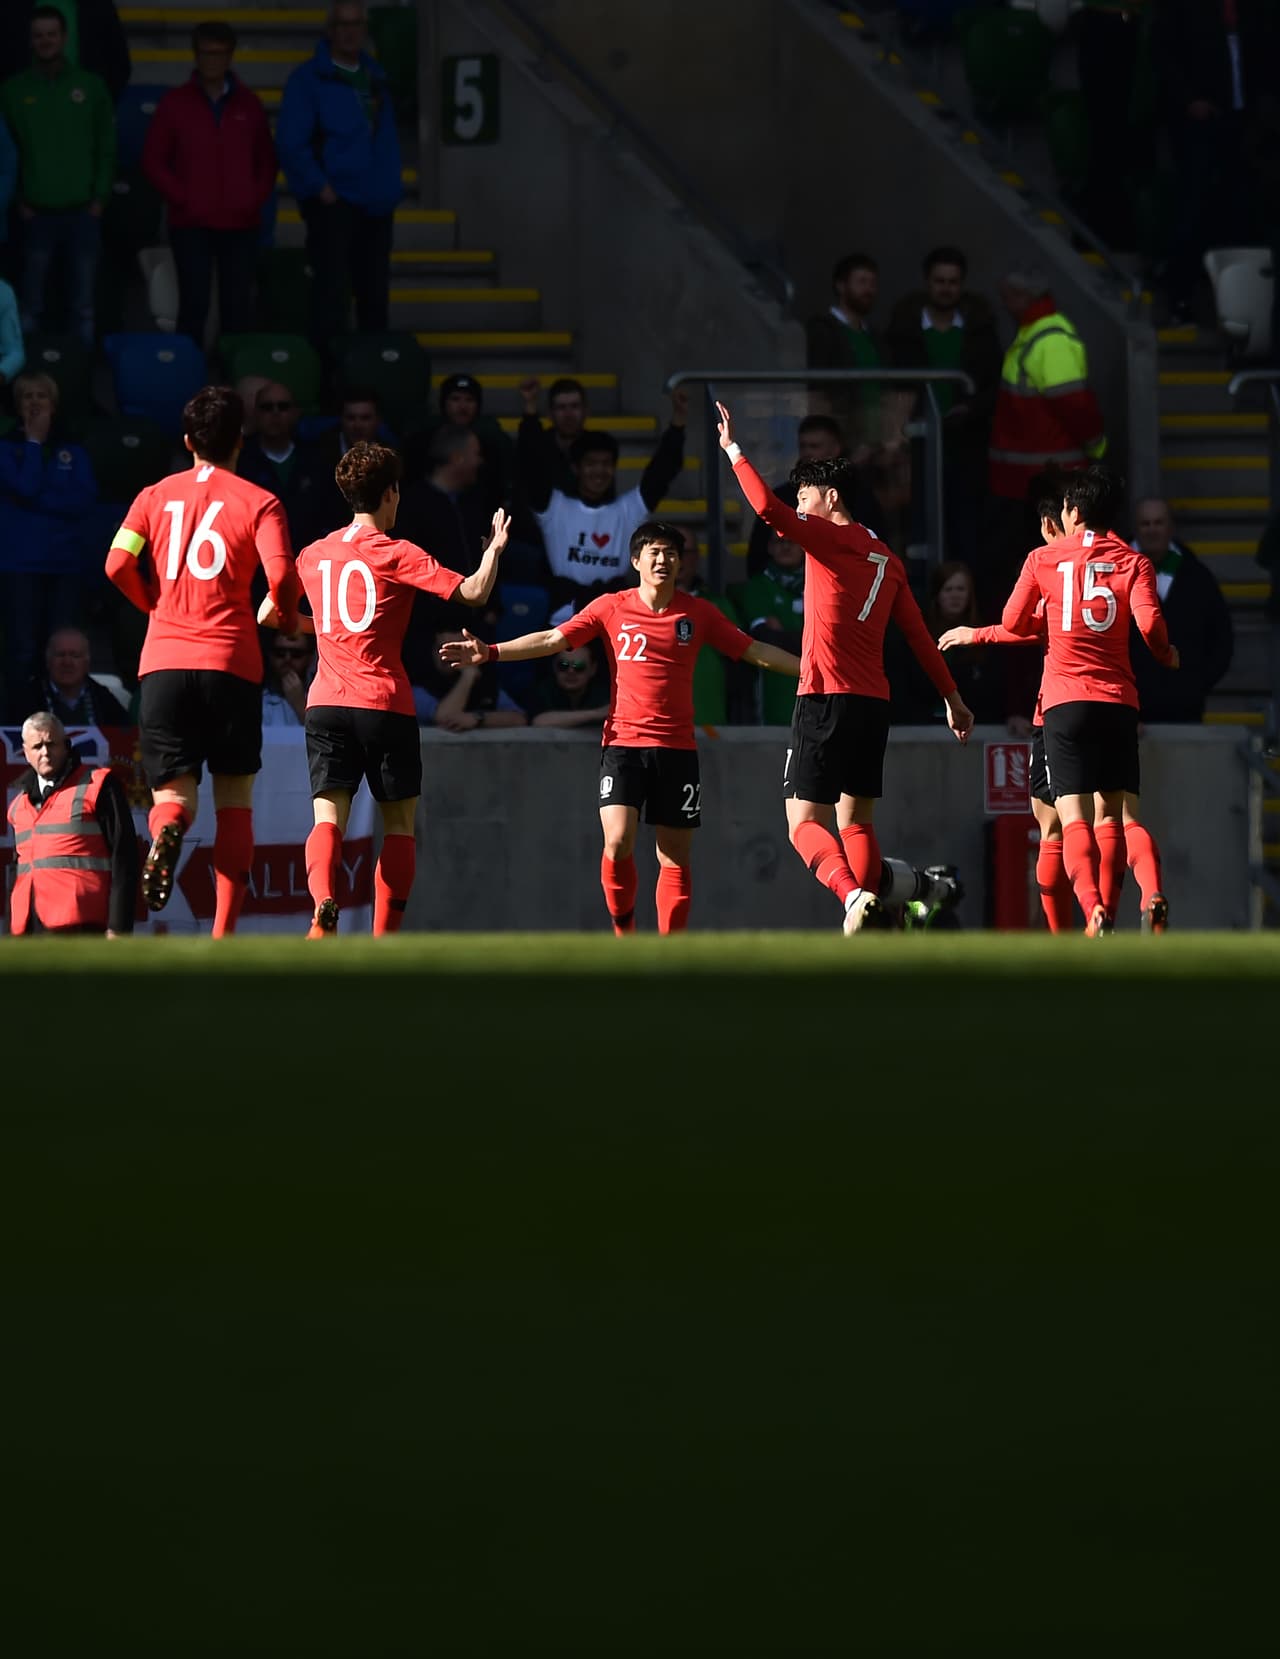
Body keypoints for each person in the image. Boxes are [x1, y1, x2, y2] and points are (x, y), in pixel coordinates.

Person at [440, 520, 802, 935]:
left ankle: (670, 950)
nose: (663, 560)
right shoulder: (611, 607)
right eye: (655, 553)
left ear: (680, 563)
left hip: (677, 749)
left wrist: (808, 670)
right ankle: (624, 935)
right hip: (623, 745)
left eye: (671, 553)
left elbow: (753, 650)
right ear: (636, 561)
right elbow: (553, 640)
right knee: (617, 841)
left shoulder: (699, 612)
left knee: (674, 857)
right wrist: (491, 652)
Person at [717, 400, 974, 933]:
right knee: (855, 823)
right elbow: (919, 637)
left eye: (805, 496)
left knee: (802, 823)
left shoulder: (830, 538)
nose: (799, 506)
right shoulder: (889, 560)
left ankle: (853, 897)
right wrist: (953, 698)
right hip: (872, 704)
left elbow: (767, 511)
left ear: (830, 497)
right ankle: (901, 903)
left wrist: (734, 450)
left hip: (824, 697)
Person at [258, 441, 511, 936]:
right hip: (384, 703)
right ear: (391, 493)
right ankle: (383, 940)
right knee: (398, 826)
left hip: (326, 703)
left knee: (327, 819)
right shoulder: (398, 552)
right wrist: (493, 552)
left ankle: (322, 906)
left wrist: (323, 626)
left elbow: (270, 614)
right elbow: (474, 592)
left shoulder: (315, 553)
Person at [104, 384, 302, 937]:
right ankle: (224, 935)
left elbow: (117, 563)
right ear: (240, 440)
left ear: (188, 441)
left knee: (173, 793)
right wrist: (286, 616)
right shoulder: (260, 502)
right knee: (235, 799)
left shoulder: (153, 496)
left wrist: (153, 605)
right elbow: (282, 575)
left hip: (164, 661)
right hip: (231, 662)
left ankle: (169, 826)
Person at [943, 478, 1171, 934]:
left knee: (1062, 825)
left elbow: (1015, 622)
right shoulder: (1132, 561)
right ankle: (1147, 897)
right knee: (1119, 819)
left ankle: (1089, 914)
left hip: (1060, 706)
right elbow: (1149, 624)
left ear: (1069, 515)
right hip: (1117, 701)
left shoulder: (1045, 560)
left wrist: (981, 633)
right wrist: (1167, 655)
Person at [275, 0, 401, 353]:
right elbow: (290, 143)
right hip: (334, 202)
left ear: (365, 30)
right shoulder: (308, 79)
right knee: (330, 300)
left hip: (376, 202)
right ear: (330, 30)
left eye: (356, 24)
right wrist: (321, 188)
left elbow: (385, 138)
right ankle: (330, 378)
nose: (349, 32)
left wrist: (390, 186)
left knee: (375, 298)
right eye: (342, 24)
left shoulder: (377, 76)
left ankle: (371, 376)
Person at [141, 20, 275, 348]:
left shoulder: (250, 105)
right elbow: (153, 161)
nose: (212, 60)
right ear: (195, 55)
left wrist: (250, 199)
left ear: (230, 56)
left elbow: (267, 162)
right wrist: (182, 198)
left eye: (219, 54)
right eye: (205, 53)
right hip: (191, 223)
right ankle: (191, 376)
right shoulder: (174, 104)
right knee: (193, 307)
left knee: (237, 310)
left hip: (240, 223)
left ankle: (233, 376)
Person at [3, 5, 115, 347]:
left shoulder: (91, 86)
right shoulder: (13, 90)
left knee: (83, 307)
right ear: (30, 40)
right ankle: (26, 375)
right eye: (39, 35)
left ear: (64, 38)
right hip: (36, 214)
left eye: (52, 34)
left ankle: (81, 373)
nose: (45, 41)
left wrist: (100, 198)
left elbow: (106, 147)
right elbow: (6, 152)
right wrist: (19, 199)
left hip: (84, 213)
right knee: (31, 306)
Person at [986, 267, 1106, 587]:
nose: (1004, 304)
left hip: (1048, 481)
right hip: (1029, 481)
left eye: (1007, 297)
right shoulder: (1034, 333)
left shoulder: (1050, 340)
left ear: (1022, 297)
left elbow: (1075, 406)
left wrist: (1096, 449)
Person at [522, 389, 689, 620]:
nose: (599, 471)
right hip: (564, 619)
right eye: (591, 464)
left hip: (616, 619)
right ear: (576, 468)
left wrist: (678, 420)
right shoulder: (555, 508)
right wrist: (530, 410)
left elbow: (661, 472)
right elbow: (531, 463)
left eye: (606, 464)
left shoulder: (628, 511)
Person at [886, 246, 1002, 566]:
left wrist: (971, 408)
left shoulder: (979, 330)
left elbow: (993, 383)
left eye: (953, 282)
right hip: (917, 444)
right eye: (940, 281)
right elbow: (896, 384)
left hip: (967, 444)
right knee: (919, 525)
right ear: (927, 282)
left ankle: (965, 592)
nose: (946, 289)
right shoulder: (905, 330)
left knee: (966, 529)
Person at [0, 371, 98, 717]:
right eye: (27, 396)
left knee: (60, 648)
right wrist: (33, 443)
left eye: (41, 396)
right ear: (17, 405)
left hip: (64, 564)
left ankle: (61, 721)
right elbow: (26, 486)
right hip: (19, 565)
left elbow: (83, 501)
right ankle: (20, 724)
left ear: (53, 404)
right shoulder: (6, 448)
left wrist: (37, 500)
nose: (34, 402)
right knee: (23, 650)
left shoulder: (73, 449)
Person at [6, 710, 137, 936]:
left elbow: (124, 856)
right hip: (29, 929)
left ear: (66, 746)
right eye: (37, 747)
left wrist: (119, 926)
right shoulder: (18, 806)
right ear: (26, 753)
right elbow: (17, 873)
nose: (45, 752)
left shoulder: (99, 785)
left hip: (83, 924)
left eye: (51, 744)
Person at [1129, 496, 1233, 723]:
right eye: (1145, 523)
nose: (1152, 530)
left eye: (1159, 522)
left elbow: (1222, 637)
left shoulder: (1197, 576)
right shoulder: (1113, 573)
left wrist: (1195, 686)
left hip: (1185, 711)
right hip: (1129, 712)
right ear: (1135, 528)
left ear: (1171, 527)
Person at [889, 561, 1007, 727]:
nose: (955, 595)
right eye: (948, 589)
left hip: (978, 725)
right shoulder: (919, 637)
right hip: (922, 726)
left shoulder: (984, 636)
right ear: (937, 594)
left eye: (960, 589)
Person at [237, 380, 334, 552]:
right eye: (267, 407)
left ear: (296, 413)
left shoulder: (317, 459)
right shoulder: (240, 460)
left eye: (283, 407)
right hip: (256, 558)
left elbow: (330, 516)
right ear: (255, 413)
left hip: (309, 558)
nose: (275, 413)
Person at [745, 415, 846, 577]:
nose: (807, 452)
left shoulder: (856, 496)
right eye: (803, 446)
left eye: (814, 446)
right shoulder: (783, 496)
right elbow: (758, 552)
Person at [805, 252, 883, 453]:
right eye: (862, 282)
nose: (868, 289)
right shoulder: (822, 331)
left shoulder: (876, 337)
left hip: (876, 444)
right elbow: (817, 393)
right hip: (843, 445)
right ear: (841, 285)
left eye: (873, 283)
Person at [675, 526, 743, 728]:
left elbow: (740, 658)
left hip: (708, 721)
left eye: (685, 552)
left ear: (697, 557)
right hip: (656, 725)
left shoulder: (717, 606)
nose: (678, 558)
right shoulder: (638, 606)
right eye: (671, 551)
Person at [736, 535, 805, 726]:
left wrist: (784, 634)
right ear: (769, 547)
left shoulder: (820, 585)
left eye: (792, 541)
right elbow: (766, 638)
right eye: (779, 541)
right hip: (773, 699)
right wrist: (808, 636)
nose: (786, 547)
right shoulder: (757, 586)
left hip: (814, 699)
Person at [0, 0, 130, 100]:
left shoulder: (98, 5)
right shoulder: (11, 6)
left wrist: (100, 106)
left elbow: (119, 62)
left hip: (84, 111)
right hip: (22, 112)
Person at [415, 620, 528, 732]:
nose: (447, 655)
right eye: (441, 648)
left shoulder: (486, 686)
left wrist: (477, 718)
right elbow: (446, 718)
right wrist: (467, 677)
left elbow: (519, 719)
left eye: (456, 649)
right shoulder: (419, 689)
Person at [17, 625, 129, 727]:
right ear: (48, 660)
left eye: (75, 655)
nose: (67, 662)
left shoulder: (103, 699)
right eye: (60, 655)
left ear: (86, 662)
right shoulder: (25, 699)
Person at [516, 375, 590, 498]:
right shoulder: (540, 446)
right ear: (550, 414)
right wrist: (530, 402)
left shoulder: (596, 447)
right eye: (561, 407)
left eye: (575, 406)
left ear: (586, 412)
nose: (568, 415)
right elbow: (529, 437)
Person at [529, 645, 610, 730]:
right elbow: (539, 721)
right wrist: (597, 713)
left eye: (579, 666)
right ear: (554, 667)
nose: (571, 671)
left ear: (593, 669)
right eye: (563, 665)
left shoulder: (605, 693)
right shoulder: (543, 690)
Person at [262, 630, 315, 726]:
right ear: (271, 656)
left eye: (296, 654)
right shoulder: (257, 701)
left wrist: (299, 704)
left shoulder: (320, 698)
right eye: (280, 653)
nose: (287, 659)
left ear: (310, 658)